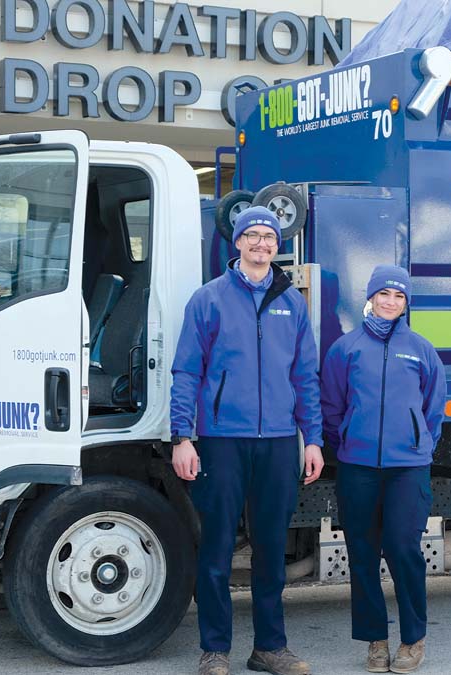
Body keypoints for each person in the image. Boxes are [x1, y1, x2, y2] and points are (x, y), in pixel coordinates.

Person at [170, 205, 324, 675]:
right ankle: (215, 649)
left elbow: (305, 377)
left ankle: (269, 648)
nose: (261, 244)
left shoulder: (291, 302)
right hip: (221, 441)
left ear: (278, 246)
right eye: (252, 236)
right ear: (236, 243)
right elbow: (186, 371)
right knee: (216, 549)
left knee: (271, 550)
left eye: (269, 237)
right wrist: (183, 437)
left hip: (279, 442)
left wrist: (312, 439)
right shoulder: (208, 299)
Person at [320, 265, 447, 674]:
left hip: (407, 469)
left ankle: (413, 639)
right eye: (384, 295)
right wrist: (349, 443)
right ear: (370, 298)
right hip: (358, 467)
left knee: (403, 549)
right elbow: (332, 406)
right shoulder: (346, 348)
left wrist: (415, 444)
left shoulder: (422, 350)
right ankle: (375, 640)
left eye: (399, 296)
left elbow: (433, 410)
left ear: (407, 303)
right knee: (361, 553)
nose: (391, 302)